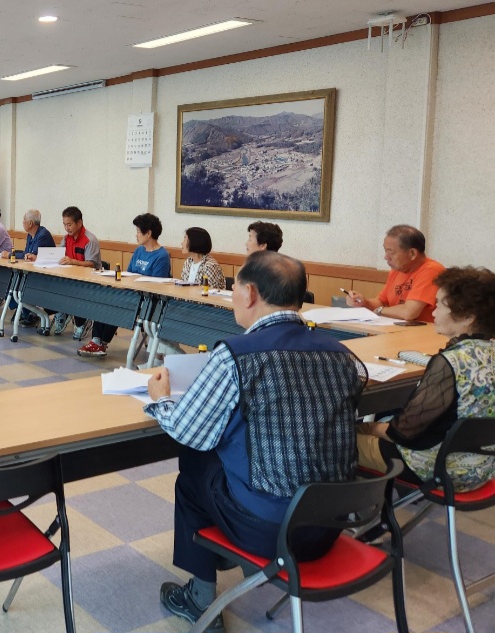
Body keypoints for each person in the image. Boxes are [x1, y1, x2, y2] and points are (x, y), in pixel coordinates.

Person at [144, 251, 367, 633]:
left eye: (234, 289)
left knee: (195, 463)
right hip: (330, 525)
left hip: (270, 529)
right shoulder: (343, 355)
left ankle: (199, 598)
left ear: (249, 294)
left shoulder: (235, 355)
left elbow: (187, 430)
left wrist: (159, 397)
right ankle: (219, 554)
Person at [357, 266, 495, 491]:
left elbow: (404, 433)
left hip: (438, 468)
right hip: (482, 467)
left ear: (468, 317)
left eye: (440, 304)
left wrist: (372, 428)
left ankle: (353, 511)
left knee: (337, 439)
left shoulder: (451, 361)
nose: (433, 312)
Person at [78, 213, 171, 357]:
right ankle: (96, 340)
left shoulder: (162, 256)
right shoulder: (139, 250)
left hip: (147, 299)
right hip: (132, 292)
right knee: (105, 296)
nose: (136, 235)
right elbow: (130, 273)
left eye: (139, 232)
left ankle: (101, 343)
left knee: (116, 304)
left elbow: (156, 285)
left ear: (149, 233)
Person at [344, 225, 445, 323]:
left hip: (425, 335)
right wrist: (364, 302)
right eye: (385, 251)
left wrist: (380, 310)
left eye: (391, 252)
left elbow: (409, 313)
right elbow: (381, 302)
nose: (386, 257)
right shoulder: (397, 269)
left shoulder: (432, 270)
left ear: (412, 253)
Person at [49, 206, 101, 338]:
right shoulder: (66, 238)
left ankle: (82, 321)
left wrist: (73, 261)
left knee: (76, 291)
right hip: (69, 278)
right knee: (50, 286)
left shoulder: (90, 240)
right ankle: (61, 312)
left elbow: (92, 264)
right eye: (65, 225)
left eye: (69, 224)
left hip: (88, 280)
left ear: (79, 223)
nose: (67, 228)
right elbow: (59, 255)